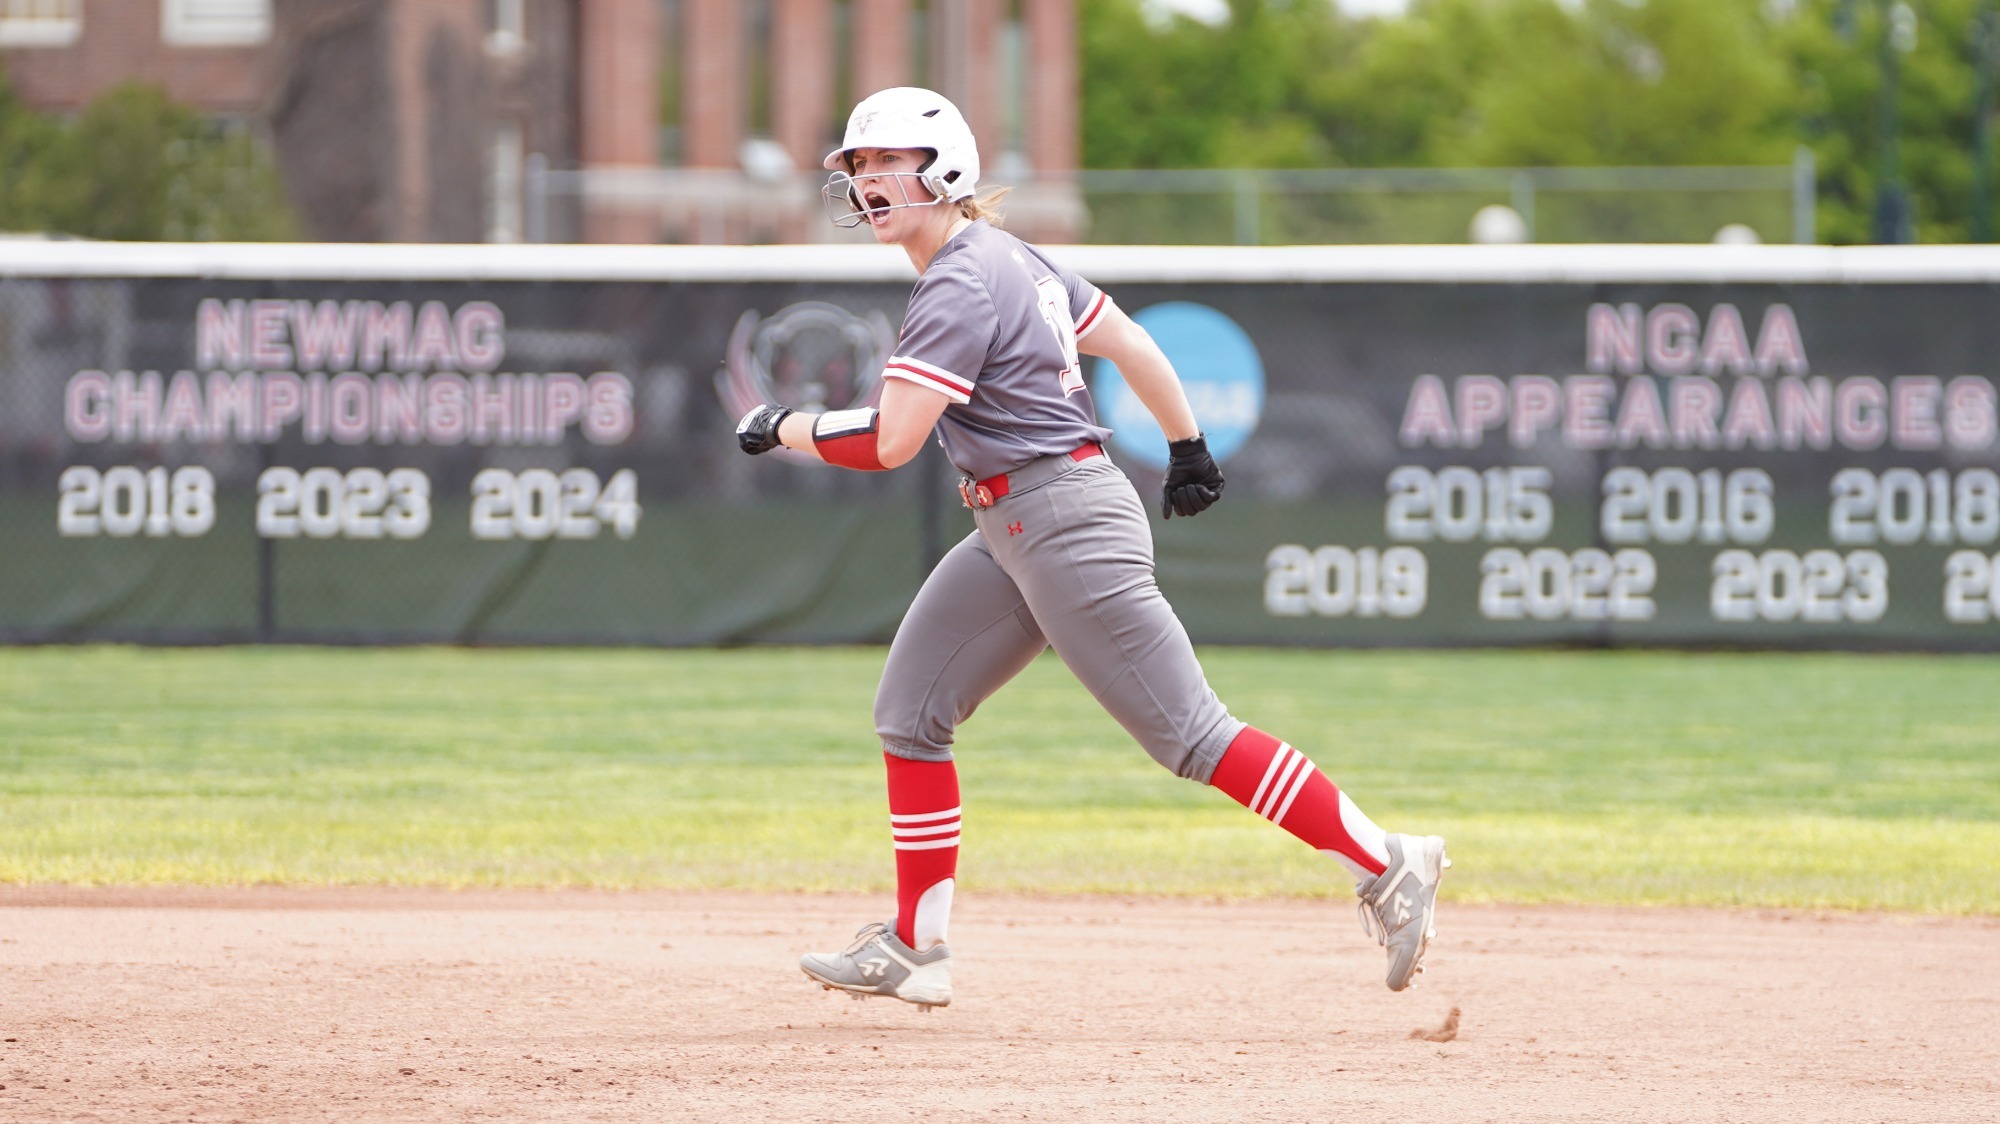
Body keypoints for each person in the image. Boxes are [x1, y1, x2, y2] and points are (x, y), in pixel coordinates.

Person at [734, 87, 1447, 1011]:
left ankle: (1387, 861)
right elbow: (1134, 343)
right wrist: (1187, 443)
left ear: (944, 169)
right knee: (910, 712)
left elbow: (893, 441)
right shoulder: (1012, 259)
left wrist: (784, 425)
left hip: (1059, 519)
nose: (869, 184)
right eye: (858, 169)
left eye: (887, 164)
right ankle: (918, 945)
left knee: (1191, 735)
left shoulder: (957, 277)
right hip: (1019, 521)